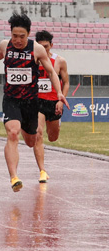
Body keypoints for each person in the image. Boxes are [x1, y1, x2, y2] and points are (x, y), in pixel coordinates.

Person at [0, 13, 68, 192]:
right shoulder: (6, 45)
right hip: (11, 100)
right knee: (12, 133)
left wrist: (59, 93)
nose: (17, 40)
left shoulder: (37, 49)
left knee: (31, 141)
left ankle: (28, 146)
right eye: (14, 36)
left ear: (28, 34)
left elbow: (51, 72)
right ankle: (14, 177)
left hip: (31, 102)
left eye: (22, 37)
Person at [32, 30, 69, 184]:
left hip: (54, 102)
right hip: (36, 102)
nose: (43, 50)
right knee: (38, 134)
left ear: (51, 45)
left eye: (46, 47)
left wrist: (61, 100)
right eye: (40, 46)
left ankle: (56, 123)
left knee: (53, 138)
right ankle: (42, 170)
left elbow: (66, 82)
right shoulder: (32, 60)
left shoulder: (59, 61)